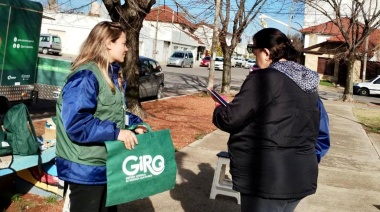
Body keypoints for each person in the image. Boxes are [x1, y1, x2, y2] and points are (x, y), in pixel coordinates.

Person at [212, 28, 321, 212]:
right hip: (301, 173)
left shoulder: (264, 78)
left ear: (267, 52)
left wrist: (218, 109)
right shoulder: (307, 82)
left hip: (267, 177)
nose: (256, 59)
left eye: (255, 53)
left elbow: (230, 119)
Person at [55, 21, 147, 212]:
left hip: (106, 165)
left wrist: (135, 125)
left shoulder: (111, 74)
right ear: (108, 43)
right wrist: (116, 133)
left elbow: (113, 113)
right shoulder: (86, 77)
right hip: (85, 169)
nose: (127, 48)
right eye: (124, 43)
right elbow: (77, 124)